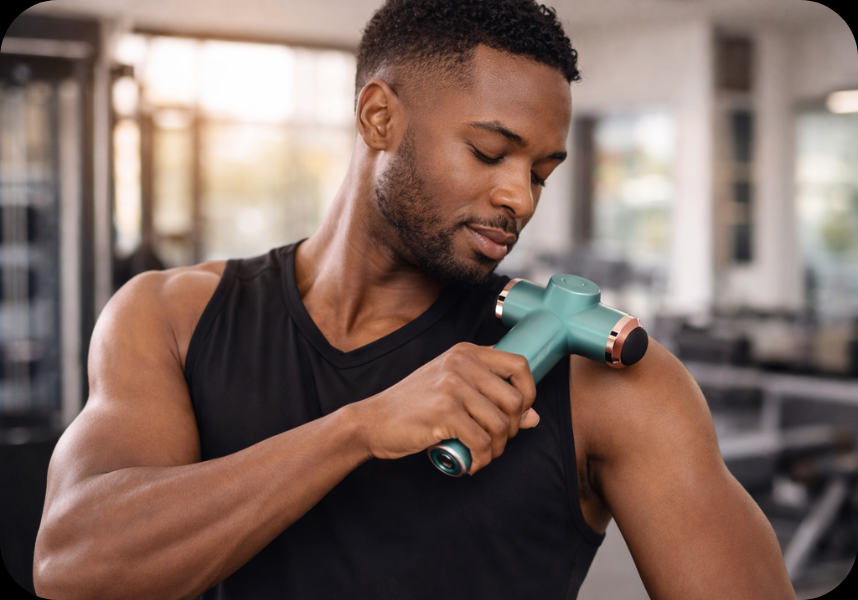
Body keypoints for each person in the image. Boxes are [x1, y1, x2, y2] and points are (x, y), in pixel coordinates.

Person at [33, 1, 795, 598]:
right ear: (379, 117)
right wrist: (359, 429)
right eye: (490, 152)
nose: (518, 197)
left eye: (541, 171)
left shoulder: (607, 382)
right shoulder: (170, 317)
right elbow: (73, 568)